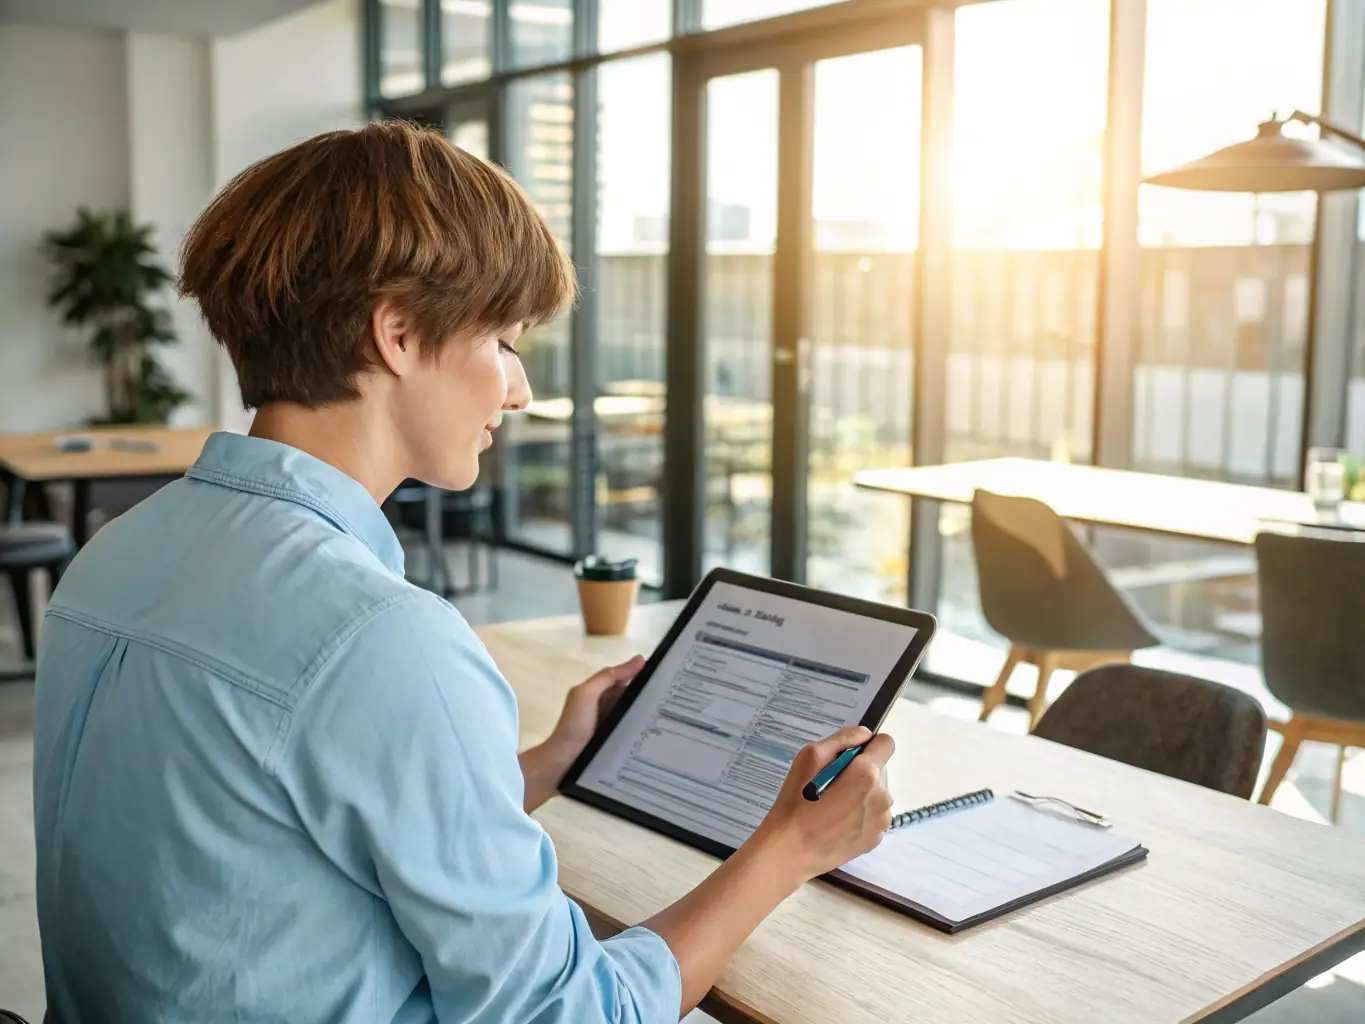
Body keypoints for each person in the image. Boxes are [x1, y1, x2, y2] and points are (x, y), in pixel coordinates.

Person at [31, 121, 895, 1024]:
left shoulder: (121, 550)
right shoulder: (376, 636)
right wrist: (788, 850)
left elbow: (277, 828)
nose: (517, 389)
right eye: (506, 342)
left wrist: (548, 763)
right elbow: (570, 1014)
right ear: (397, 333)